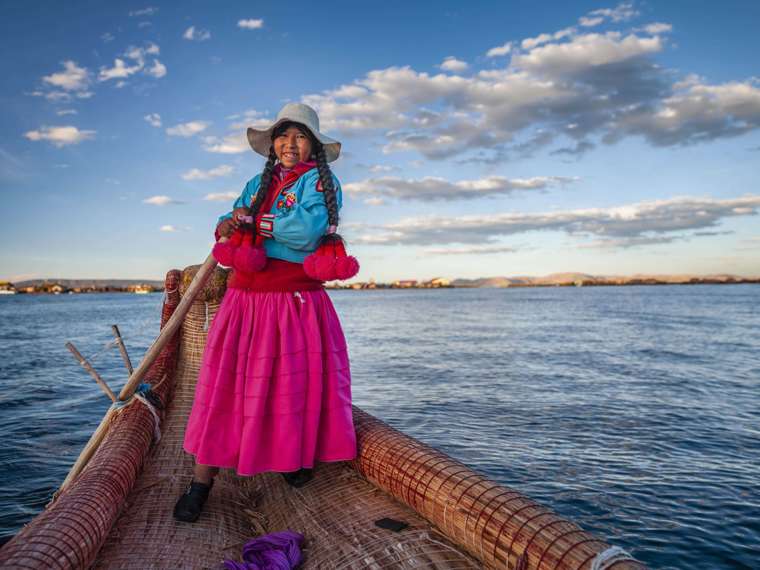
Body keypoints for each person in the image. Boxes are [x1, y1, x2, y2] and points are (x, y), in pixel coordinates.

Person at [174, 103, 358, 523]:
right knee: (226, 386)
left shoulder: (321, 183)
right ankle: (201, 481)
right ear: (272, 143)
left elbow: (306, 231)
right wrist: (230, 221)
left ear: (313, 145)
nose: (290, 144)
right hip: (245, 300)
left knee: (292, 386)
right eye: (283, 135)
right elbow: (230, 218)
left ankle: (291, 458)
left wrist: (254, 222)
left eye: (300, 136)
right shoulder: (257, 182)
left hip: (295, 302)